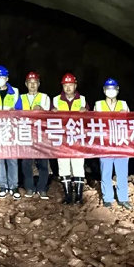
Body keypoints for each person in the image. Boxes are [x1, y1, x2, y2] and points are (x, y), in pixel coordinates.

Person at [0, 66, 23, 199]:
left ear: (7, 79)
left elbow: (20, 110)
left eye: (2, 77)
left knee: (12, 159)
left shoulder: (15, 92)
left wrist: (15, 111)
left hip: (11, 130)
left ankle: (13, 186)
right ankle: (3, 185)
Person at [95, 78, 131, 209]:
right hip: (105, 143)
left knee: (122, 172)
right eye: (108, 89)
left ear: (118, 90)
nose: (111, 91)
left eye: (113, 89)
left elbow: (130, 123)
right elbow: (94, 123)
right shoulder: (98, 105)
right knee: (106, 171)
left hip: (121, 143)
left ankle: (123, 198)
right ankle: (108, 198)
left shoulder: (123, 104)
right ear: (104, 90)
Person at [52, 73, 88, 205]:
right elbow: (47, 120)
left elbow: (91, 120)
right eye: (65, 85)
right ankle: (68, 196)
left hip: (78, 138)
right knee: (64, 167)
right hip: (62, 139)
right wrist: (52, 112)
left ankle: (78, 196)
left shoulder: (82, 100)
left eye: (70, 85)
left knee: (78, 166)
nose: (68, 88)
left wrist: (86, 112)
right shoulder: (56, 100)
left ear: (75, 85)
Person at [19, 72, 51, 199]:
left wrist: (41, 109)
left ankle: (42, 188)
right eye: (30, 83)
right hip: (26, 134)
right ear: (26, 84)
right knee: (26, 163)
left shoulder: (45, 98)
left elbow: (49, 116)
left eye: (35, 83)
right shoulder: (21, 98)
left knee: (43, 163)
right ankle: (29, 187)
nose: (32, 85)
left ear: (38, 84)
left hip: (41, 134)